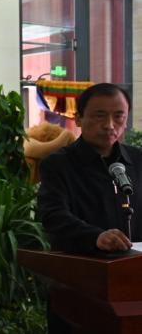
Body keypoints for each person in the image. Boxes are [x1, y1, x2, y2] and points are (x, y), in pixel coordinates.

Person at [38, 82, 142, 253]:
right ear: (79, 118)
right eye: (100, 116)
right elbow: (53, 216)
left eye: (118, 116)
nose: (109, 125)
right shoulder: (58, 164)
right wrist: (96, 237)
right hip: (81, 267)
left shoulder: (138, 159)